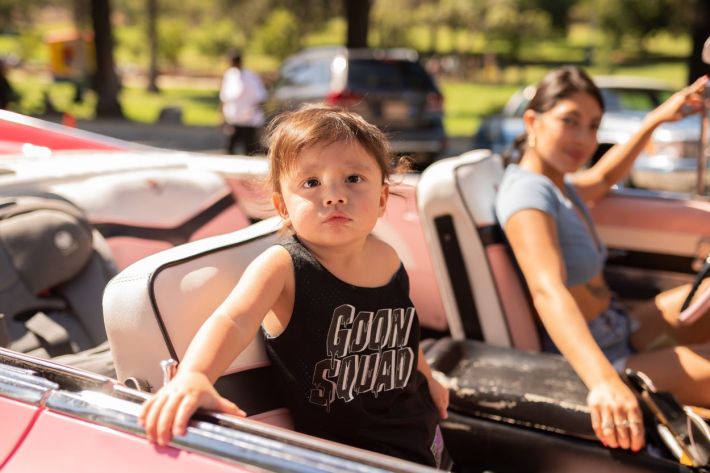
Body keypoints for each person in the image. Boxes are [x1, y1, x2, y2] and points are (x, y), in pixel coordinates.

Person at [139, 105, 450, 468]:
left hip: (420, 431)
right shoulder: (284, 266)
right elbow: (233, 319)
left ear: (382, 200)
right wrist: (194, 376)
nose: (334, 195)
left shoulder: (387, 256)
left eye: (353, 179)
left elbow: (402, 332)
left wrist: (428, 378)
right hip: (348, 456)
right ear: (282, 206)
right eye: (311, 183)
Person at [495, 66, 710, 453]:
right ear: (532, 121)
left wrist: (656, 119)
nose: (583, 139)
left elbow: (604, 175)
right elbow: (548, 289)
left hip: (619, 326)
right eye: (569, 121)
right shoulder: (528, 195)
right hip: (603, 358)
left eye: (593, 126)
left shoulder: (558, 183)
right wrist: (603, 381)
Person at [219, 51, 267, 156]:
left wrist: (256, 114)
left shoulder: (251, 77)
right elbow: (224, 97)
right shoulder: (230, 75)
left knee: (249, 151)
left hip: (248, 120)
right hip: (234, 118)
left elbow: (260, 98)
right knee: (230, 149)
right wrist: (222, 115)